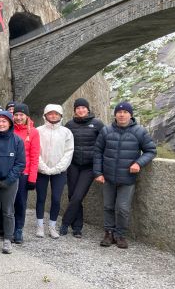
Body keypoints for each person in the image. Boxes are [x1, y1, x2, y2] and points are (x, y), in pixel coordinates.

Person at [94, 102, 156, 249]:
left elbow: (151, 151)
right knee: (108, 206)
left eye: (125, 112)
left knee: (122, 208)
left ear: (131, 115)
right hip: (108, 177)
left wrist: (139, 163)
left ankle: (120, 235)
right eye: (119, 112)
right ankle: (108, 233)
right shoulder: (106, 131)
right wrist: (98, 172)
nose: (122, 115)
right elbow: (97, 152)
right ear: (115, 114)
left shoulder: (140, 131)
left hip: (127, 178)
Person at [62, 98, 104, 237]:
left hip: (89, 166)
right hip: (73, 165)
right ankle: (77, 227)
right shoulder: (69, 125)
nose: (81, 110)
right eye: (78, 108)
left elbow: (105, 143)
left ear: (88, 109)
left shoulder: (97, 124)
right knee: (72, 195)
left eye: (83, 108)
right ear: (74, 110)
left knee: (78, 196)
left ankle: (65, 222)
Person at [0, 111, 25, 254]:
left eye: (4, 121)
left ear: (9, 123)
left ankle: (8, 239)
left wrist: (8, 180)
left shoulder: (17, 140)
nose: (1, 124)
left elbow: (20, 163)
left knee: (8, 211)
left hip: (10, 182)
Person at [35, 104, 74, 239]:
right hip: (41, 170)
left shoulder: (66, 132)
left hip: (59, 171)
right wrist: (43, 167)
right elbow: (35, 151)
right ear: (45, 115)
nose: (53, 116)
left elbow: (68, 152)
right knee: (41, 198)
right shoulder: (38, 130)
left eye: (56, 114)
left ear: (60, 116)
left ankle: (52, 226)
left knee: (56, 199)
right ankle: (40, 225)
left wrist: (58, 168)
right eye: (50, 113)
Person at [11, 103, 40, 244]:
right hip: (9, 171)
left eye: (21, 115)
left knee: (21, 203)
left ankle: (18, 229)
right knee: (8, 202)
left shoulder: (33, 132)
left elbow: (35, 156)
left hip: (24, 173)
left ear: (27, 116)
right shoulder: (9, 129)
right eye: (16, 115)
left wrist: (32, 178)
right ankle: (7, 228)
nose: (18, 117)